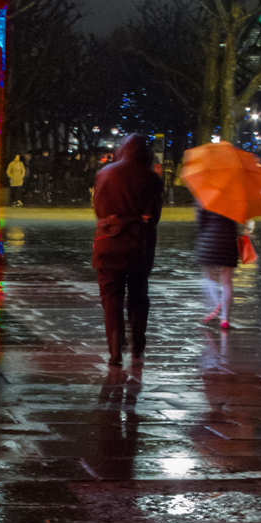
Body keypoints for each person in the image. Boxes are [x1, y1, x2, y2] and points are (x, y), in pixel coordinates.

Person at [92, 133, 163, 367]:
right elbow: (154, 216)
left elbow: (99, 209)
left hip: (108, 242)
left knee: (111, 298)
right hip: (137, 245)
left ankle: (114, 352)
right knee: (138, 295)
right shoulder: (151, 178)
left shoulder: (105, 173)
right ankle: (137, 346)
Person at [195, 203, 239, 330]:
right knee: (227, 280)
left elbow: (201, 221)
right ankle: (224, 318)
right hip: (229, 240)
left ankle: (218, 304)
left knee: (209, 276)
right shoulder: (236, 196)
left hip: (210, 239)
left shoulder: (205, 197)